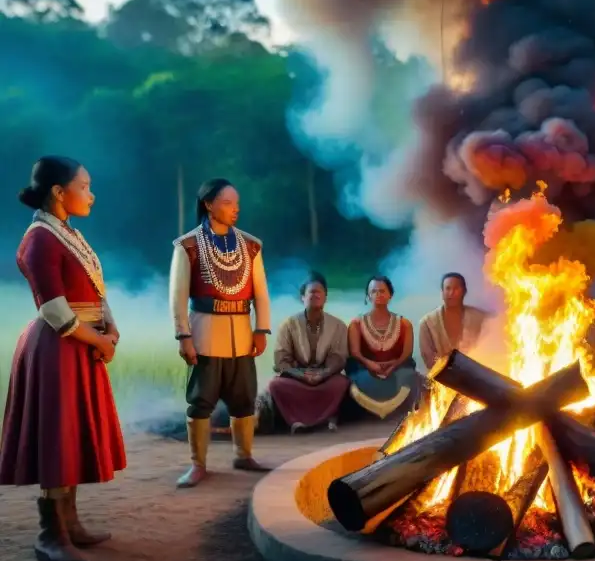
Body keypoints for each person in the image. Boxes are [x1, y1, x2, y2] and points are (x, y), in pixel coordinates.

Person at [0, 156, 126, 561]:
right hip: (58, 347)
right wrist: (101, 342)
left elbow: (94, 287)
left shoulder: (67, 233)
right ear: (59, 191)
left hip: (80, 344)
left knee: (70, 434)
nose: (91, 193)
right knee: (59, 436)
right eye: (84, 186)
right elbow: (55, 312)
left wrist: (111, 327)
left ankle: (69, 521)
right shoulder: (39, 239)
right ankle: (50, 533)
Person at [170, 178, 272, 488]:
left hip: (241, 334)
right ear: (208, 204)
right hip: (205, 333)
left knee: (244, 398)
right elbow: (177, 295)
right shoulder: (187, 245)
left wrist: (261, 329)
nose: (235, 208)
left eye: (236, 203)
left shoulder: (251, 245)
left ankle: (244, 454)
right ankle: (198, 464)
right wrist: (184, 336)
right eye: (227, 202)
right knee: (201, 400)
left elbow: (261, 293)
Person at [264, 271, 350, 433]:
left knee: (341, 383)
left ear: (325, 297)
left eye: (319, 292)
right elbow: (281, 359)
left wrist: (322, 374)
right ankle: (295, 421)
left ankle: (327, 419)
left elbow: (338, 357)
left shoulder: (338, 325)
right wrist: (301, 375)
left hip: (325, 378)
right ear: (302, 297)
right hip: (297, 378)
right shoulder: (288, 325)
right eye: (311, 292)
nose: (315, 295)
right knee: (276, 384)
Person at [348, 276, 418, 418]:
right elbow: (355, 353)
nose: (378, 295)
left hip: (397, 368)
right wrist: (370, 364)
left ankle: (404, 413)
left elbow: (407, 353)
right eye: (373, 291)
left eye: (382, 291)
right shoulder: (356, 324)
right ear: (368, 296)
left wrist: (394, 364)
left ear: (390, 295)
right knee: (357, 377)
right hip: (365, 368)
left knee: (409, 375)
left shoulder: (405, 324)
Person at [418, 272, 488, 370]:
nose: (451, 293)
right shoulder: (427, 323)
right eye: (447, 288)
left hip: (477, 377)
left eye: (456, 289)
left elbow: (489, 350)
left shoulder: (480, 318)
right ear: (442, 292)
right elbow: (429, 359)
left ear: (464, 291)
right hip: (441, 378)